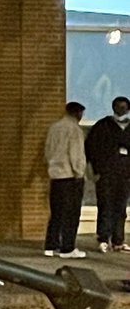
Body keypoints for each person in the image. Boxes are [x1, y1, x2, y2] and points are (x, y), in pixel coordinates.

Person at [85, 95, 130, 253]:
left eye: (124, 108)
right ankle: (103, 238)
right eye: (118, 107)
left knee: (121, 207)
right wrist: (96, 170)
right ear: (113, 108)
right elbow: (91, 148)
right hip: (106, 174)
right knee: (105, 206)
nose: (121, 110)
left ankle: (118, 240)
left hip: (125, 175)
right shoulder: (103, 125)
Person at [43, 101, 87, 258]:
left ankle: (50, 245)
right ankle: (67, 248)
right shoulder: (74, 129)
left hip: (55, 175)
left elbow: (48, 150)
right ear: (78, 113)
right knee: (71, 213)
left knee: (56, 213)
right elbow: (76, 153)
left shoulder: (54, 127)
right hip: (70, 176)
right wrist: (79, 172)